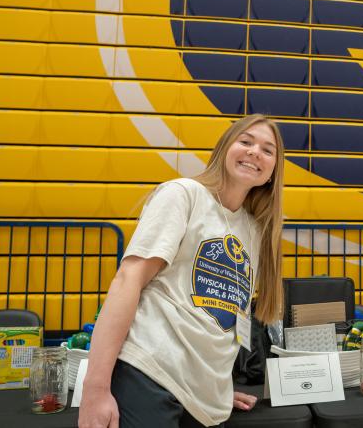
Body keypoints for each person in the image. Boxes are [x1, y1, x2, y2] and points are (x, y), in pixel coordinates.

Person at [79, 114, 285, 428]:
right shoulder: (183, 195)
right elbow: (128, 280)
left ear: (272, 171)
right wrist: (95, 389)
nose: (255, 151)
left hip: (203, 400)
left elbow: (222, 317)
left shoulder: (255, 231)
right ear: (223, 150)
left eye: (267, 150)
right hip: (149, 372)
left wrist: (212, 388)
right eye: (245, 141)